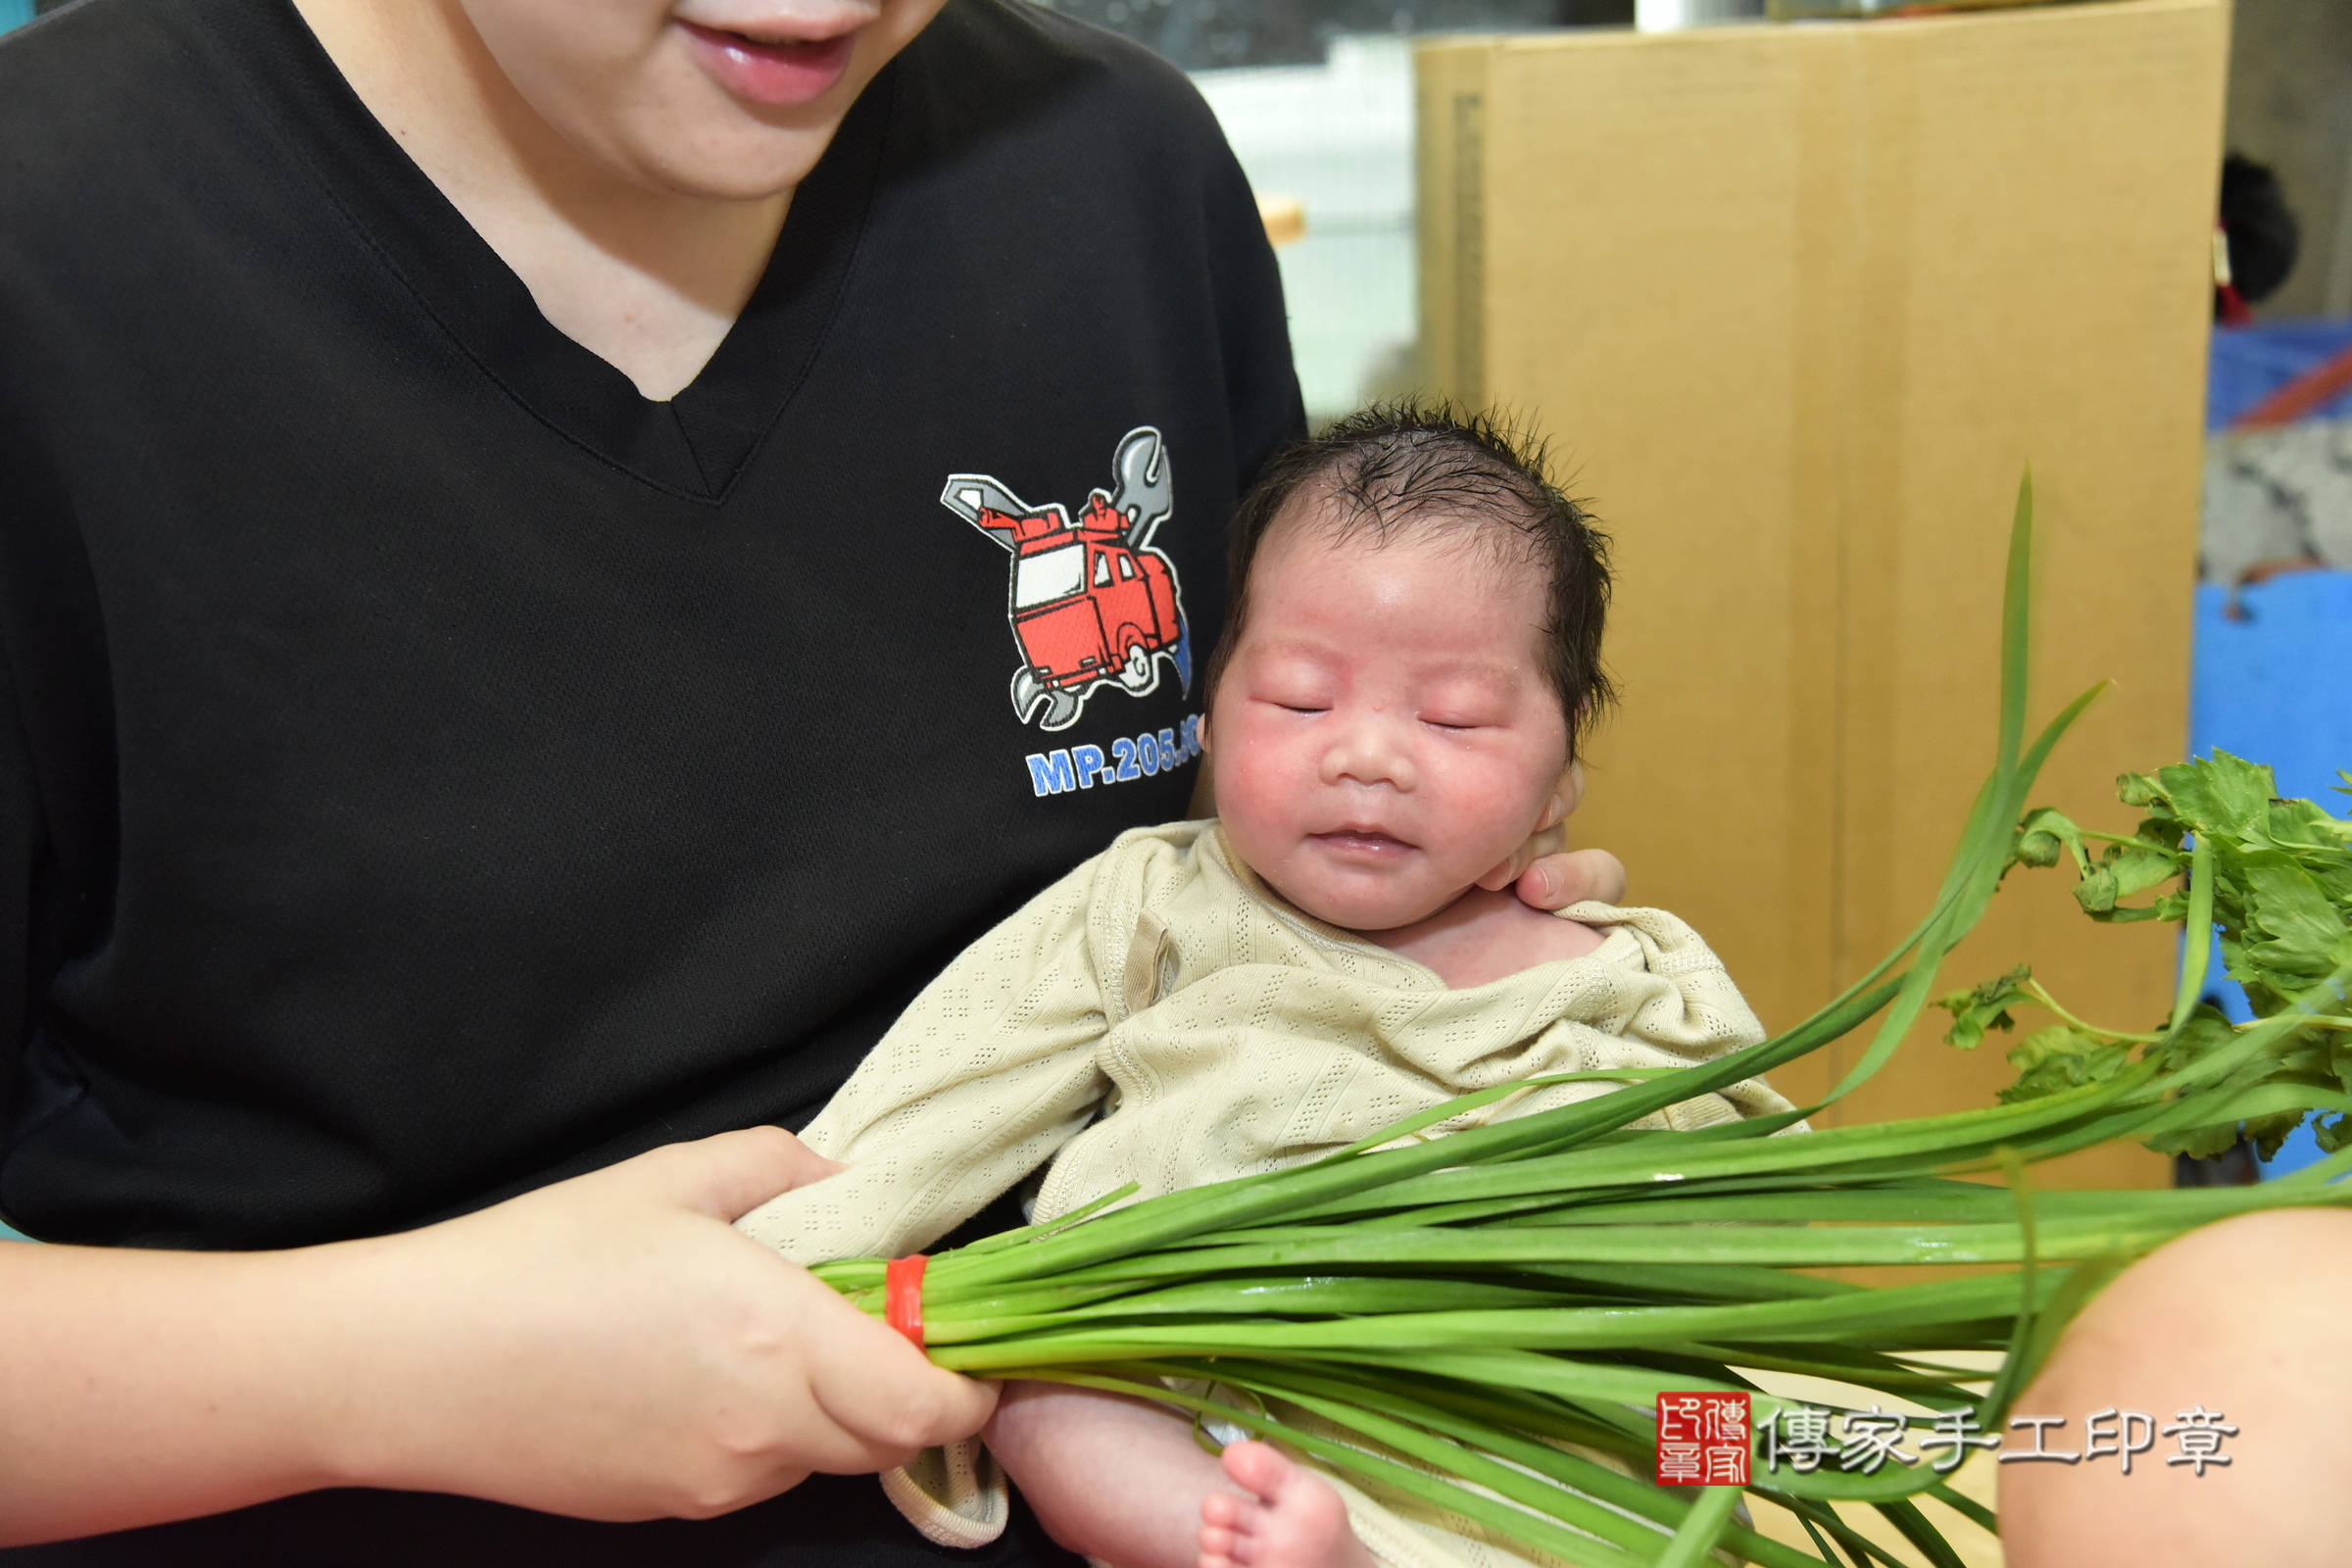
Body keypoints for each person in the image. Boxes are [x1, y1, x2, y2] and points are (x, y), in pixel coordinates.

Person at [0, 1, 1623, 1559]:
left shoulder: (1116, 171)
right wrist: (383, 1371)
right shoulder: (56, 227)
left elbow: (1216, 905)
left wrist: (1427, 941)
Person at [744, 408, 1794, 1568]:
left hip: (1485, 1406)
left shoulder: (1617, 967)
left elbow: (1731, 1197)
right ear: (1206, 704)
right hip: (1198, 1386)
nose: (1368, 756)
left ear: (1563, 760)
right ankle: (1272, 1547)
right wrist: (776, 1262)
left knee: (1662, 1441)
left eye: (1452, 717)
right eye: (1300, 698)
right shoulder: (1157, 896)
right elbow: (954, 1080)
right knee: (1041, 1387)